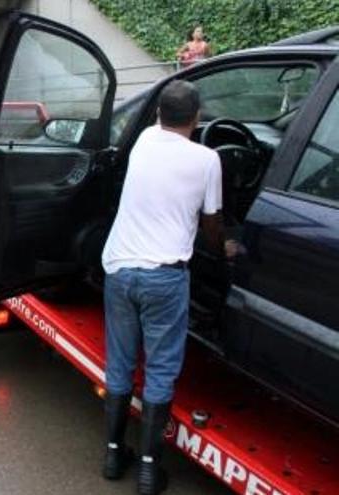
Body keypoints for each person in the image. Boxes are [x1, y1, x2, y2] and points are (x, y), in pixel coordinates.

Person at [99, 81, 237, 494]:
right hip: (165, 277)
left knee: (120, 363)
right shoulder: (208, 159)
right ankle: (147, 469)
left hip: (120, 269)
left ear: (159, 114)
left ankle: (111, 454)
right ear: (197, 118)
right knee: (160, 368)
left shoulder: (142, 140)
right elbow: (211, 225)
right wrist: (224, 248)